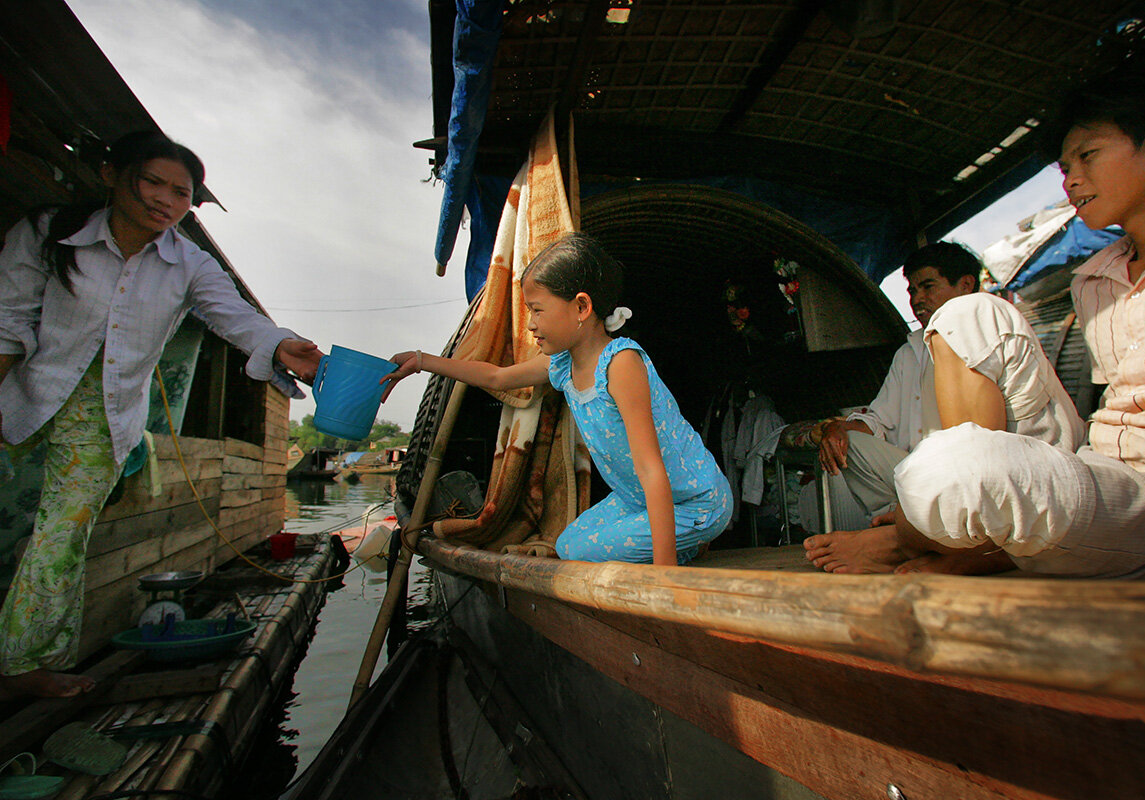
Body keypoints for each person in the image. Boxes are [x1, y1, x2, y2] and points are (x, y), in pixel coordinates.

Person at [805, 61, 1145, 579]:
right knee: (953, 467)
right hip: (1109, 474)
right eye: (1064, 168)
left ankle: (929, 542)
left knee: (956, 476)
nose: (1072, 181)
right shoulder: (1094, 280)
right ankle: (954, 535)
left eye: (1087, 155)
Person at [0, 131, 323, 697]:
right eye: (153, 182)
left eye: (181, 193)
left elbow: (236, 317)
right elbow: (8, 319)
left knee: (61, 536)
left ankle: (23, 668)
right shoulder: (51, 233)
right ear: (111, 174)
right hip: (21, 392)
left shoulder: (187, 262)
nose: (166, 201)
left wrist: (280, 346)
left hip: (101, 416)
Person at [381, 232, 733, 566]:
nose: (531, 324)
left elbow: (650, 469)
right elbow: (496, 377)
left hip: (695, 502)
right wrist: (422, 361)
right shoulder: (562, 365)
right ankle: (685, 546)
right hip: (636, 502)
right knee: (566, 544)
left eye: (537, 310)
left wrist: (664, 576)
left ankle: (685, 545)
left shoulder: (621, 364)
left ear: (581, 307)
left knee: (580, 550)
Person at [804, 242, 981, 519]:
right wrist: (839, 429)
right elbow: (878, 420)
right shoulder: (910, 352)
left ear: (966, 285)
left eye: (928, 287)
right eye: (912, 290)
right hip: (922, 476)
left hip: (977, 473)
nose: (917, 299)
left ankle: (916, 529)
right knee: (852, 443)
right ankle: (898, 524)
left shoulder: (988, 333)